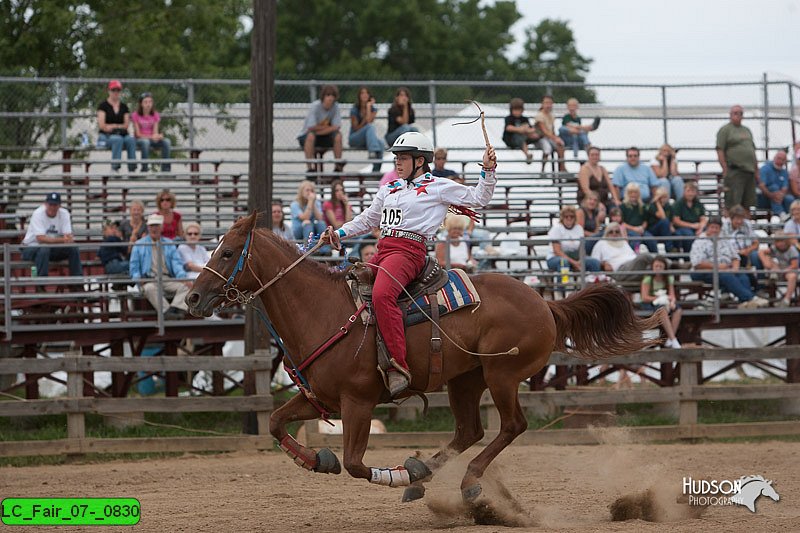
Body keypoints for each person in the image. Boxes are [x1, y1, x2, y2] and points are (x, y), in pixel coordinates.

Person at [322, 131, 497, 397]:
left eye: (403, 158)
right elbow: (368, 220)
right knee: (346, 286)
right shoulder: (389, 189)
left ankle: (397, 366)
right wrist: (339, 233)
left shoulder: (438, 185)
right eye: (396, 158)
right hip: (383, 251)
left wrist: (488, 169)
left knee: (382, 295)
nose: (397, 163)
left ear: (420, 161)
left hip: (409, 253)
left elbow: (479, 198)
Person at [689, 217, 768, 309]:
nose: (714, 230)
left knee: (742, 275)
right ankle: (750, 298)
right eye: (712, 227)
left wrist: (735, 268)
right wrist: (718, 267)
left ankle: (744, 304)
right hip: (704, 271)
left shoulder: (724, 240)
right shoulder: (700, 241)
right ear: (707, 227)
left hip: (725, 269)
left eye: (717, 228)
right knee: (726, 276)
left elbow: (735, 257)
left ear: (720, 228)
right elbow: (697, 263)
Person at [129, 213, 190, 319]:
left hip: (166, 278)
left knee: (187, 286)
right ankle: (168, 312)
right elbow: (134, 266)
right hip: (149, 279)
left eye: (156, 225)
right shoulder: (139, 244)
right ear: (148, 227)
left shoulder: (169, 243)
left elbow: (177, 263)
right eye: (152, 226)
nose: (154, 228)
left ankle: (173, 310)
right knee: (149, 288)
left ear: (161, 227)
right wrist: (138, 279)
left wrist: (182, 277)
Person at [21, 192, 83, 277]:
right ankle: (41, 283)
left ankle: (76, 280)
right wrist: (62, 239)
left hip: (52, 248)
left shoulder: (64, 214)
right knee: (44, 249)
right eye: (50, 204)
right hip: (30, 247)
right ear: (45, 204)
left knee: (73, 248)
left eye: (55, 205)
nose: (53, 207)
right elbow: (40, 239)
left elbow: (68, 237)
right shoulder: (38, 214)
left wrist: (64, 239)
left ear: (59, 205)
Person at [716, 105, 759, 210]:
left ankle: (747, 225)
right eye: (735, 113)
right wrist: (725, 169)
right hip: (735, 171)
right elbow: (720, 149)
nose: (738, 115)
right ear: (730, 115)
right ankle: (732, 225)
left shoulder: (747, 130)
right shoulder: (725, 130)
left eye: (740, 113)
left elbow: (752, 150)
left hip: (749, 171)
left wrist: (756, 169)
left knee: (748, 204)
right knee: (733, 205)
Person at [298, 84, 344, 174]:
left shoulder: (335, 107)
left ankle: (338, 167)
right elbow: (311, 127)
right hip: (307, 136)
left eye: (332, 96)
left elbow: (337, 127)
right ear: (323, 96)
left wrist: (319, 130)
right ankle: (310, 168)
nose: (330, 98)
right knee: (311, 136)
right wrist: (328, 128)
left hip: (322, 136)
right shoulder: (315, 106)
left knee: (338, 136)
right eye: (328, 95)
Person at [639, 255, 682, 348]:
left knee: (677, 310)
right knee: (662, 311)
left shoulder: (668, 278)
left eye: (660, 267)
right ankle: (673, 339)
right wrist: (657, 298)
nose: (658, 269)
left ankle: (671, 338)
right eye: (656, 266)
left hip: (664, 301)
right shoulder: (648, 279)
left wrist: (672, 302)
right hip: (651, 302)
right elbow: (644, 297)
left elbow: (672, 294)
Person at [546, 205, 602, 274]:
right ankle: (564, 283)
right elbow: (557, 251)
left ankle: (594, 282)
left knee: (594, 262)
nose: (569, 218)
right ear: (562, 218)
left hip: (575, 257)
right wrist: (574, 263)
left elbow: (581, 249)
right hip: (555, 257)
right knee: (564, 263)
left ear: (575, 218)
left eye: (571, 216)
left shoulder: (579, 228)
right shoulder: (556, 229)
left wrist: (580, 261)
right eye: (566, 216)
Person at [96, 79, 137, 173]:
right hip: (106, 136)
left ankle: (132, 169)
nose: (115, 92)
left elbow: (126, 125)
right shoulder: (103, 106)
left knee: (130, 140)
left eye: (118, 90)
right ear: (109, 91)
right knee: (117, 139)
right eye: (113, 90)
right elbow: (102, 126)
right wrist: (118, 126)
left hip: (122, 134)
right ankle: (115, 168)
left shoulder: (124, 106)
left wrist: (113, 126)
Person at [132, 92, 172, 172]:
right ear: (141, 104)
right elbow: (138, 134)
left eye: (150, 102)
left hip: (151, 139)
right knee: (145, 142)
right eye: (145, 102)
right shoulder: (135, 115)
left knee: (167, 141)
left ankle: (166, 169)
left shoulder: (155, 115)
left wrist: (159, 136)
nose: (148, 104)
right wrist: (152, 137)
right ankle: (145, 168)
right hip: (140, 139)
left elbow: (155, 133)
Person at [757, 230, 798, 307]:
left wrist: (784, 271)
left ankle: (786, 300)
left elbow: (794, 265)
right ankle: (773, 275)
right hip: (777, 269)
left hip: (788, 270)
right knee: (769, 258)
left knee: (792, 276)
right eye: (778, 241)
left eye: (782, 241)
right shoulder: (774, 248)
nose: (781, 243)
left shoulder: (792, 250)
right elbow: (761, 252)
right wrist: (766, 262)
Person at [349, 86, 383, 172]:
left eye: (366, 93)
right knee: (370, 127)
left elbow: (369, 121)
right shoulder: (354, 110)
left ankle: (376, 171)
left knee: (381, 143)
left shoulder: (373, 109)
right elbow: (356, 128)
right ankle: (372, 151)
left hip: (367, 140)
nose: (364, 95)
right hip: (354, 138)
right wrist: (365, 119)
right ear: (359, 96)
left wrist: (368, 107)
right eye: (362, 93)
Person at [501, 97, 542, 164]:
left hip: (524, 137)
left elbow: (531, 128)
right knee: (519, 137)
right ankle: (527, 155)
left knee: (535, 135)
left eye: (518, 110)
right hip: (511, 139)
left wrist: (527, 130)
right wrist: (520, 129)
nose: (517, 112)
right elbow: (508, 127)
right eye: (515, 110)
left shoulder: (524, 119)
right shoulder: (509, 118)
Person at [620, 183, 657, 253]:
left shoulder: (642, 206)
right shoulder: (623, 206)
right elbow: (622, 223)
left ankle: (655, 258)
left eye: (635, 192)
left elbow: (645, 221)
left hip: (641, 230)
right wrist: (634, 229)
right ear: (627, 194)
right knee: (635, 240)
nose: (633, 194)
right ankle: (634, 256)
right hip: (629, 231)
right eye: (631, 192)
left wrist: (642, 228)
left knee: (651, 239)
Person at [672, 181, 707, 254]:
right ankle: (688, 257)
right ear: (684, 192)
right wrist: (692, 225)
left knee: (707, 232)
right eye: (688, 191)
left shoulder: (698, 203)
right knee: (689, 235)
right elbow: (676, 221)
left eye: (693, 191)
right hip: (682, 228)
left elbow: (703, 218)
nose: (690, 193)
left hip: (697, 227)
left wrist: (701, 228)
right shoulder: (678, 204)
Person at [533, 95, 566, 172]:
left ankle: (561, 168)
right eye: (546, 103)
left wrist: (556, 138)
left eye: (550, 103)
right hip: (540, 138)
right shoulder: (540, 115)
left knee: (561, 145)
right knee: (547, 148)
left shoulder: (551, 115)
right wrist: (555, 138)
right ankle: (543, 169)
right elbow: (544, 131)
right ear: (542, 104)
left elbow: (552, 130)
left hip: (549, 137)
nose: (548, 105)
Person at [758, 150, 794, 218]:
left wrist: (780, 195)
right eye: (779, 158)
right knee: (773, 187)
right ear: (774, 158)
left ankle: (791, 217)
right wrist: (772, 195)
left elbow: (785, 187)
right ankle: (780, 214)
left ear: (785, 161)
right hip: (765, 197)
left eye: (783, 159)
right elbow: (761, 185)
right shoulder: (765, 169)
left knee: (790, 198)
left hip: (780, 198)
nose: (780, 161)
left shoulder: (784, 172)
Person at [646, 186, 676, 253]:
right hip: (652, 229)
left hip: (664, 230)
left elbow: (671, 219)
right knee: (665, 222)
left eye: (665, 197)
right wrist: (657, 203)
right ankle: (669, 248)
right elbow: (663, 217)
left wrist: (671, 226)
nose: (664, 199)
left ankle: (676, 254)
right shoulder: (652, 206)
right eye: (661, 197)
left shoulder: (669, 206)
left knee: (677, 233)